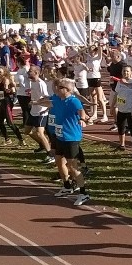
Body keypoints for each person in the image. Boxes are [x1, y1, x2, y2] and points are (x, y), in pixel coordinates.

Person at [48, 78, 90, 206]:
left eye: (61, 87)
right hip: (60, 137)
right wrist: (36, 103)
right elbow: (48, 102)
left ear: (68, 90)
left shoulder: (73, 101)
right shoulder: (58, 100)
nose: (57, 89)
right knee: (59, 162)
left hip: (71, 138)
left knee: (73, 166)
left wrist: (83, 119)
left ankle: (83, 193)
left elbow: (82, 112)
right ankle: (67, 186)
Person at [24, 66, 53, 163]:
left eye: (30, 71)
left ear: (36, 73)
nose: (28, 72)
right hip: (33, 111)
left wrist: (37, 102)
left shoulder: (41, 84)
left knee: (40, 133)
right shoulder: (32, 82)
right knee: (27, 131)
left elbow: (46, 97)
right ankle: (42, 144)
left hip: (41, 111)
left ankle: (50, 154)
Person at [0, 66, 24, 146]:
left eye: (0, 72)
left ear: (4, 71)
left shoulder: (6, 79)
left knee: (10, 122)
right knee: (0, 122)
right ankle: (7, 139)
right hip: (2, 101)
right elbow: (0, 92)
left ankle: (21, 139)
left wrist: (9, 90)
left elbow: (9, 89)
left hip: (7, 101)